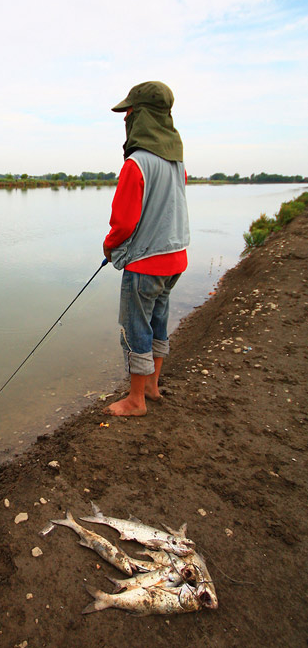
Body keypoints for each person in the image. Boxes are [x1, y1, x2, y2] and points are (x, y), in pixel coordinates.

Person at [102, 81, 189, 416]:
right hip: (176, 259)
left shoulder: (136, 163)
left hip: (146, 265)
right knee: (159, 320)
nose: (126, 119)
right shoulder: (177, 162)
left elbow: (122, 224)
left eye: (129, 112)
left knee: (136, 327)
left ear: (140, 116)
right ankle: (152, 386)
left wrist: (109, 247)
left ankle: (136, 400)